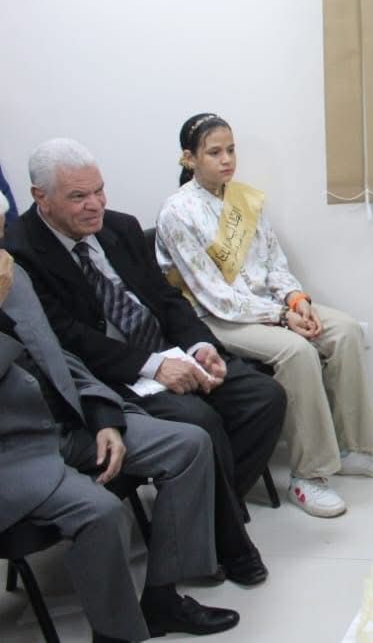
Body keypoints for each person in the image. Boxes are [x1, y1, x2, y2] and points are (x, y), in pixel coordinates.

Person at [5, 138, 281, 582]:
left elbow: (165, 298)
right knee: (200, 421)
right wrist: (153, 367)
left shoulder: (120, 227)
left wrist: (199, 346)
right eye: (78, 196)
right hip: (109, 377)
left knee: (264, 397)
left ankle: (202, 515)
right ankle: (228, 545)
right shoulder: (19, 251)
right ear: (42, 197)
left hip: (166, 351)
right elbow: (66, 339)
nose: (95, 205)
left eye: (99, 190)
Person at [155, 113, 373, 518]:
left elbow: (273, 262)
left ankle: (354, 448)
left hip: (270, 307)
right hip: (219, 319)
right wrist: (283, 318)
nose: (226, 159)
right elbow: (215, 296)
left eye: (231, 150)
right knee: (296, 352)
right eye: (214, 152)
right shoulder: (176, 213)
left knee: (345, 331)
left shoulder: (242, 199)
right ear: (189, 158)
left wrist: (296, 300)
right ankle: (309, 474)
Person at [0, 245, 238, 641]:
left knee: (190, 444)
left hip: (70, 423)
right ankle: (117, 634)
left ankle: (162, 600)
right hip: (15, 454)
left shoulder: (11, 273)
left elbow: (55, 355)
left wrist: (103, 416)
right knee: (103, 512)